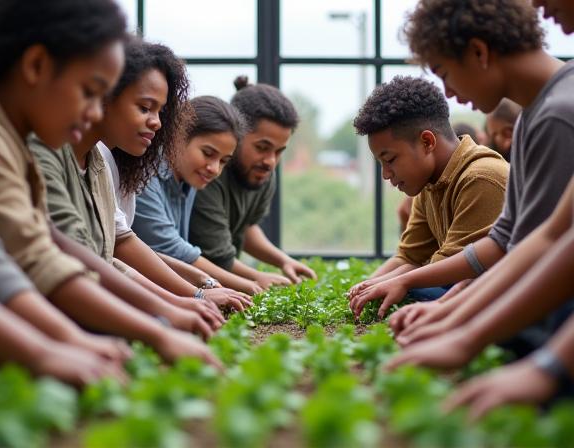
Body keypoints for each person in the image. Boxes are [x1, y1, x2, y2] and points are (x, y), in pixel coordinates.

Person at [0, 0, 222, 368]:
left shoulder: (28, 143)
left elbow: (60, 246)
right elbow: (38, 260)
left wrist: (168, 310)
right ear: (37, 66)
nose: (95, 113)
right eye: (91, 93)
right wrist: (157, 322)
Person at [387, 0, 574, 417]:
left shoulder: (558, 114)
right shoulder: (533, 116)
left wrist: (462, 328)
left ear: (478, 51)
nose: (450, 93)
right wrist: (452, 316)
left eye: (445, 74)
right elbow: (513, 241)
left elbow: (543, 248)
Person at [30, 38, 238, 326]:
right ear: (104, 95)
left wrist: (188, 298)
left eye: (160, 112)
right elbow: (84, 257)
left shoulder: (99, 163)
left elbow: (107, 256)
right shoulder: (48, 150)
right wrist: (188, 299)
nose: (157, 123)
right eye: (145, 108)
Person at [347, 76, 508, 318]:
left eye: (390, 160)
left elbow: (454, 268)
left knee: (414, 292)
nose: (386, 174)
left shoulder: (481, 177)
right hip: (461, 286)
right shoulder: (428, 184)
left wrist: (399, 282)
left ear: (427, 142)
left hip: (497, 294)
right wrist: (368, 285)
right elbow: (409, 257)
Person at [188, 76, 317, 291]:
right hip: (196, 285)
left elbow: (246, 226)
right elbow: (217, 256)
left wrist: (283, 261)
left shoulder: (263, 172)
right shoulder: (208, 174)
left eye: (278, 151)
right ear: (236, 134)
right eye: (262, 147)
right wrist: (256, 277)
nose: (270, 161)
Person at [133, 95, 256, 303]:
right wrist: (249, 284)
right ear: (178, 135)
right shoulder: (143, 174)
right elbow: (172, 249)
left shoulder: (188, 179)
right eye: (208, 153)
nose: (214, 168)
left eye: (223, 161)